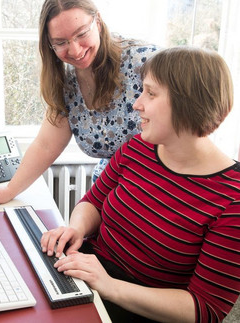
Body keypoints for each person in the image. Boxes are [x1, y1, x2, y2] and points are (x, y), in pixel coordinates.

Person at [40, 46, 240, 322]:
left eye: (151, 93)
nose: (137, 103)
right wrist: (75, 229)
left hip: (138, 308)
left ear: (189, 103)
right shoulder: (138, 148)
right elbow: (93, 202)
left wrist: (110, 287)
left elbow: (204, 308)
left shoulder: (232, 199)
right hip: (93, 275)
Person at [0, 0, 158, 205]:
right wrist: (9, 190)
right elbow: (46, 145)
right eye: (61, 42)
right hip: (109, 195)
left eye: (81, 34)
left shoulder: (146, 61)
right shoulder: (67, 84)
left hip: (160, 192)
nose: (75, 50)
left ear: (99, 22)